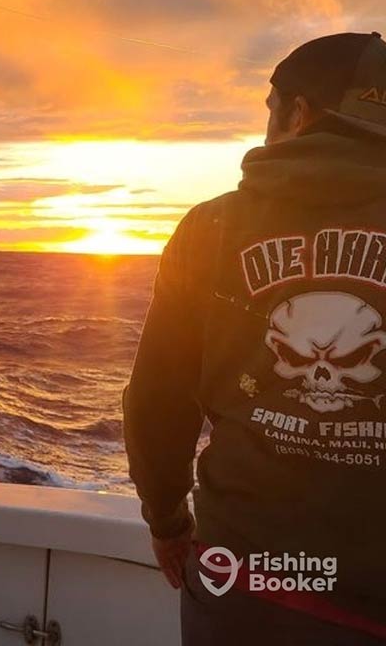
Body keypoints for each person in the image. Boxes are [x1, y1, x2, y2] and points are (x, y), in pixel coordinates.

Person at [123, 32, 386, 645]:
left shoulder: (211, 227)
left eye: (271, 110)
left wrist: (167, 522)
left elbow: (158, 402)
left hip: (243, 583)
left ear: (298, 113)